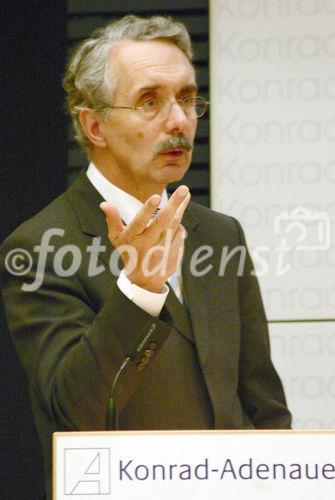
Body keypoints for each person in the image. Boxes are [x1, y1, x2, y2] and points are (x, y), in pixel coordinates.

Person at [0, 15, 291, 499]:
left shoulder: (220, 234)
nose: (178, 120)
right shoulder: (39, 246)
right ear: (94, 125)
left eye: (187, 98)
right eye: (149, 101)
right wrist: (139, 291)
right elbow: (73, 409)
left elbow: (263, 402)